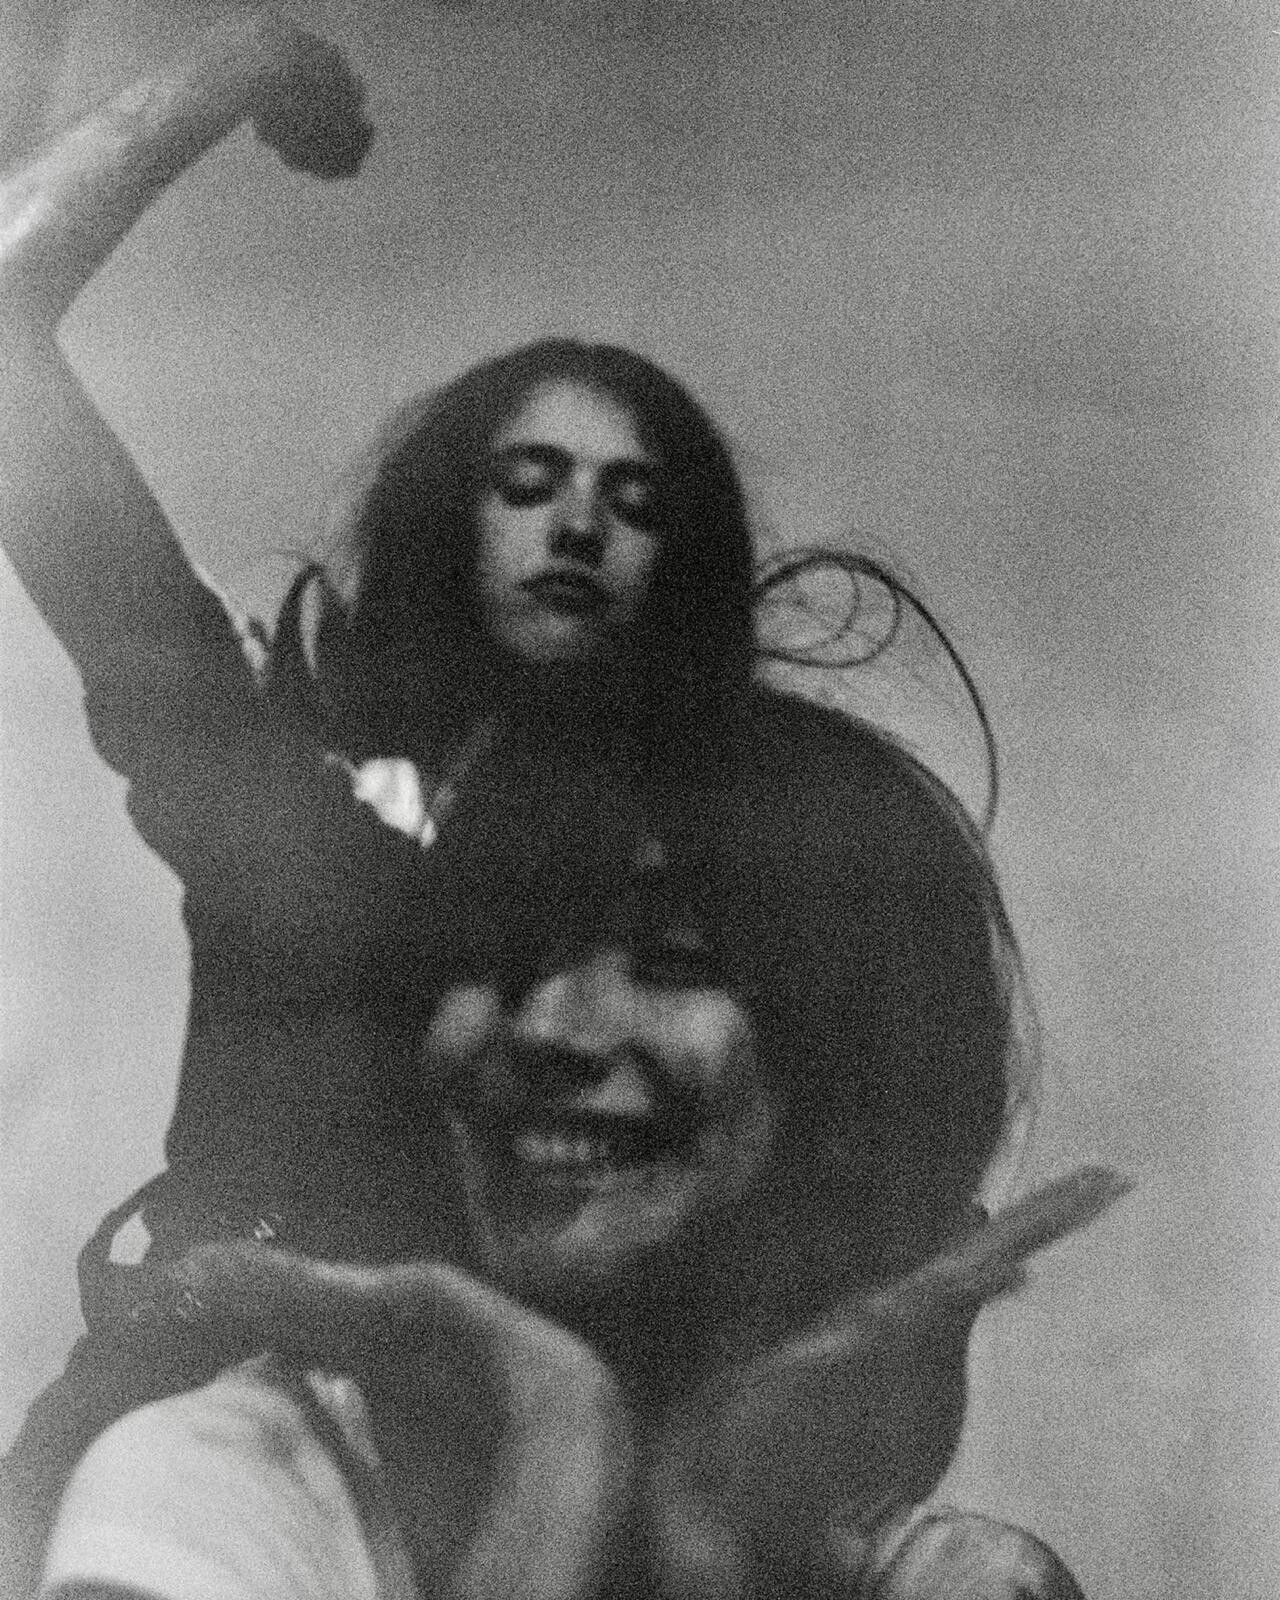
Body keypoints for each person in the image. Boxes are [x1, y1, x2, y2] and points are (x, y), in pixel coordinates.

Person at [0, 11, 757, 1584]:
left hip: (582, 1469)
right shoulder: (286, 796)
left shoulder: (722, 865)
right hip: (225, 1445)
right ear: (447, 523)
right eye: (527, 485)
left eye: (632, 501)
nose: (579, 528)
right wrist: (242, 66)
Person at [35, 690, 1127, 1600]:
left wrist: (697, 1539)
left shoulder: (935, 1579)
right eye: (496, 949)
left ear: (850, 1071)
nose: (549, 1027)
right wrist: (559, 1445)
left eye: (676, 957)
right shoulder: (214, 1496)